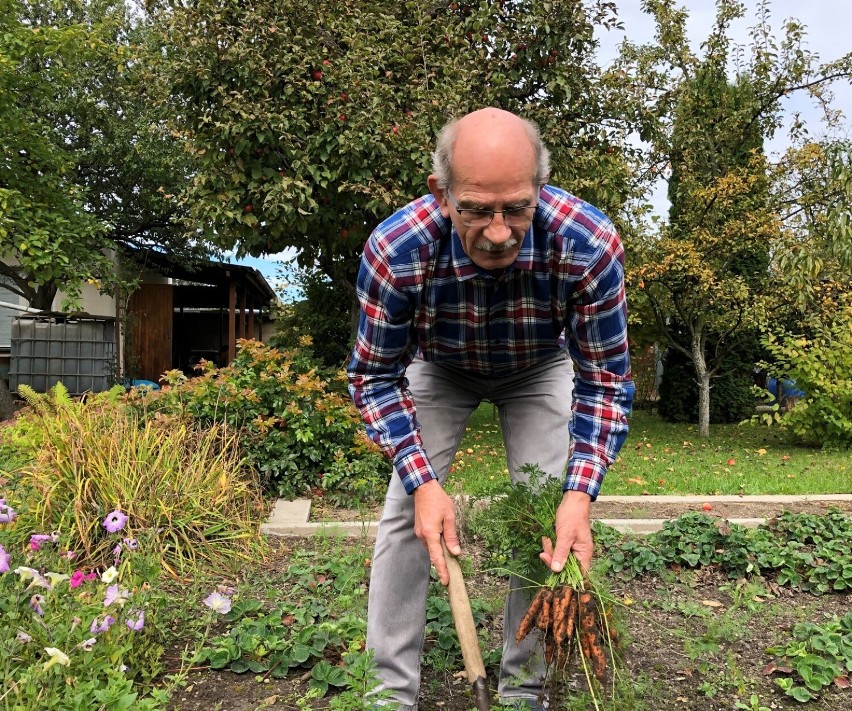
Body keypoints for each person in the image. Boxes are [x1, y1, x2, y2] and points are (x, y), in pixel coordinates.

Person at [347, 108, 634, 710]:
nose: (500, 232)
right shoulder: (396, 250)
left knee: (543, 517)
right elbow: (375, 377)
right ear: (442, 194)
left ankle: (522, 690)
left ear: (540, 190)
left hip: (538, 366)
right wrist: (424, 482)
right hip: (441, 367)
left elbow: (605, 380)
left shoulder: (587, 243)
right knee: (408, 515)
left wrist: (578, 496)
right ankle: (388, 694)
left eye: (517, 208)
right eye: (477, 210)